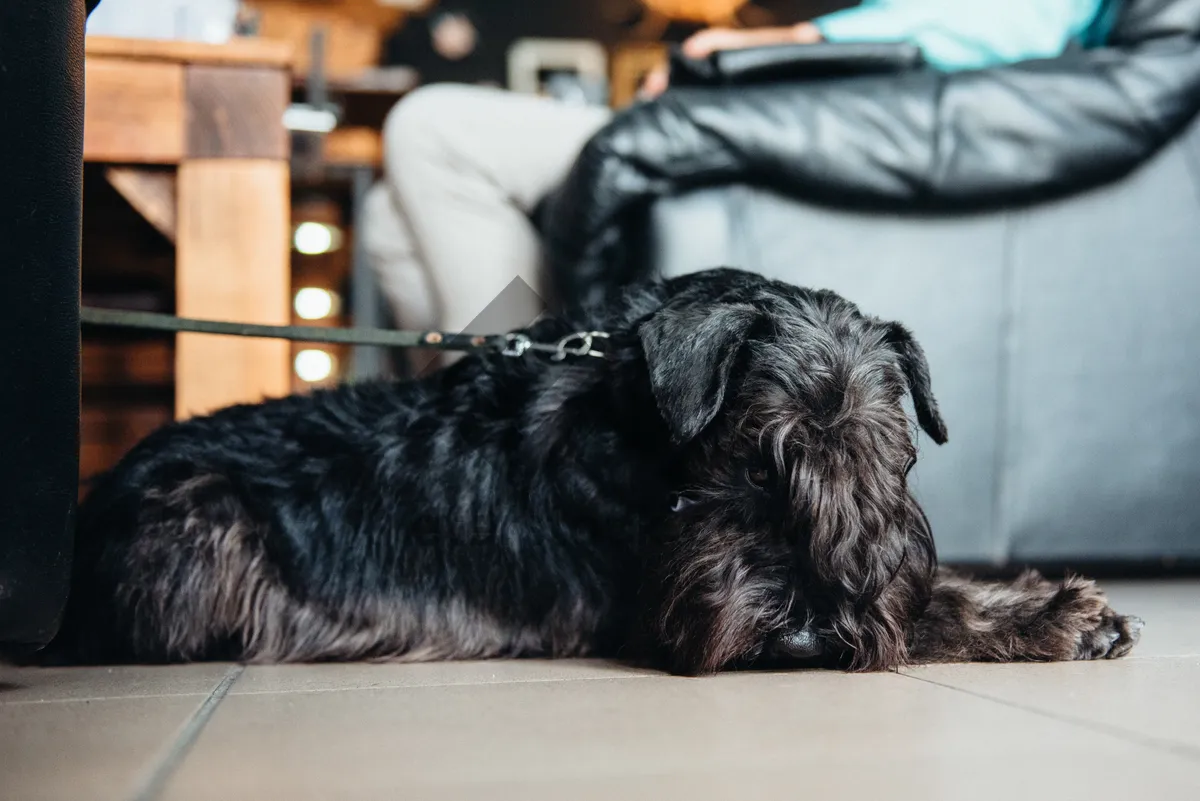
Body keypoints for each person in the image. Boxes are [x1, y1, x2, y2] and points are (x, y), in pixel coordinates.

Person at [362, 0, 1118, 346]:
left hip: (768, 134)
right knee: (388, 218)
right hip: (764, 122)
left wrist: (788, 43)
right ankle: (510, 422)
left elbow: (1015, 17)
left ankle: (525, 427)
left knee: (434, 129)